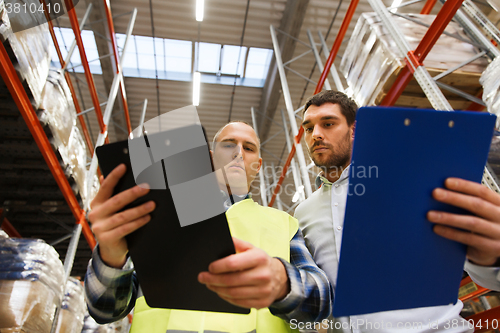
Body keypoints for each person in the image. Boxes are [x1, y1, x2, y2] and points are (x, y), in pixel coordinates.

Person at [84, 121, 332, 333]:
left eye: (248, 148)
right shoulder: (161, 217)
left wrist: (283, 282)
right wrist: (111, 256)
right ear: (210, 157)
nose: (238, 152)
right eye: (228, 144)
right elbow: (105, 309)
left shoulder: (283, 224)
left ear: (257, 164)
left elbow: (320, 303)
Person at [295, 90, 500, 332]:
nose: (316, 135)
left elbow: (486, 275)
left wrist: (490, 258)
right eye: (309, 128)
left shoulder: (410, 181)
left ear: (354, 130)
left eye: (328, 123)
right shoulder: (303, 213)